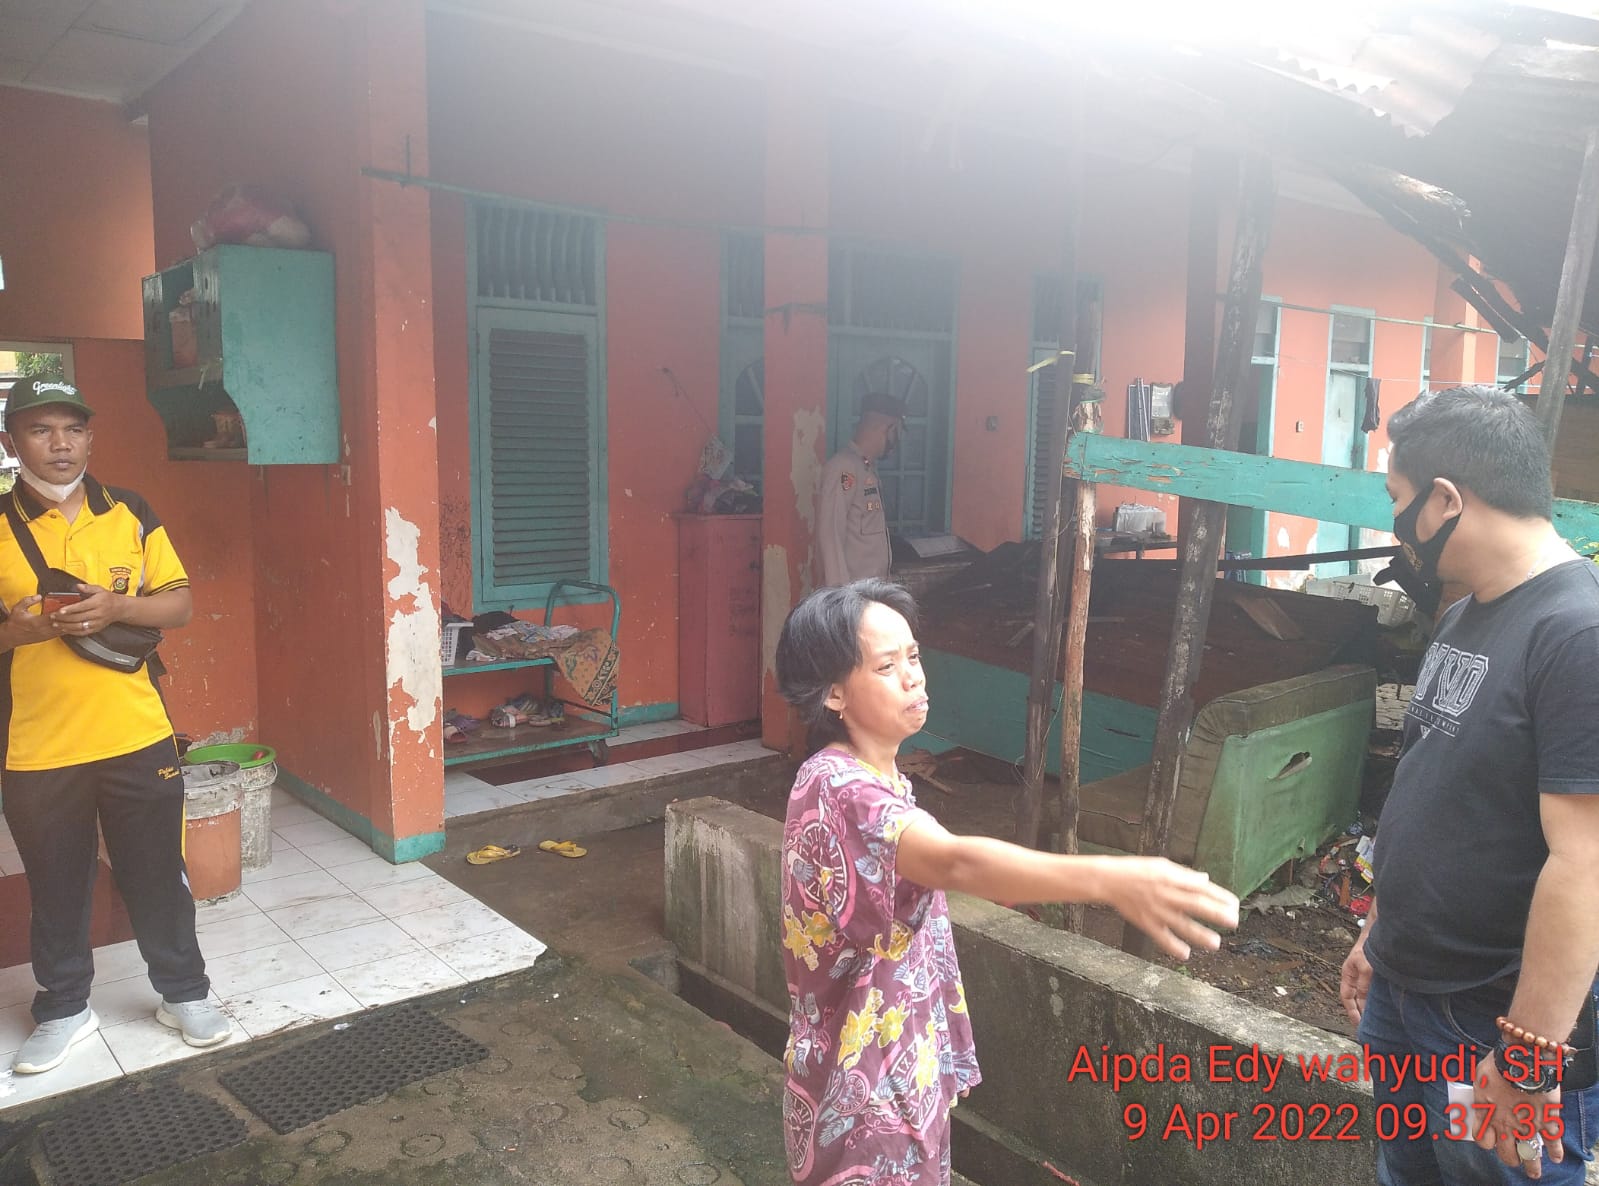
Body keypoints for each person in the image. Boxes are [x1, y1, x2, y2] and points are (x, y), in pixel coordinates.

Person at [775, 578, 1239, 1185]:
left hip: (893, 1081)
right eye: (887, 666)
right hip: (863, 1112)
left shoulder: (878, 778)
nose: (914, 677)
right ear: (833, 693)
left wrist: (938, 1049)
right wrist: (1112, 877)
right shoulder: (841, 790)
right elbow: (955, 862)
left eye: (914, 656)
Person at [1340, 385, 1599, 1184]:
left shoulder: (1577, 634)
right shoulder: (1465, 616)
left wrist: (1526, 1059)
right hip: (1404, 992)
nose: (1396, 520)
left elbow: (1584, 863)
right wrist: (1379, 931)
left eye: (1398, 498)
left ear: (1445, 500)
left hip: (1487, 1020)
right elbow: (1432, 788)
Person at [0, 378, 228, 1074]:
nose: (60, 444)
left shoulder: (129, 511)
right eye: (41, 429)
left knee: (157, 871)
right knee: (56, 881)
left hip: (136, 733)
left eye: (73, 428)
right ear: (11, 441)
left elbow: (179, 604)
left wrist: (117, 608)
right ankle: (65, 1007)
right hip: (37, 744)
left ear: (90, 438)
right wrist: (20, 630)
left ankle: (183, 993)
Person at [815, 393, 907, 587]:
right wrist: (839, 596)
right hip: (852, 595)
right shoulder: (843, 468)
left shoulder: (866, 467)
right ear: (888, 428)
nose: (896, 441)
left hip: (871, 592)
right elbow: (830, 535)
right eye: (896, 433)